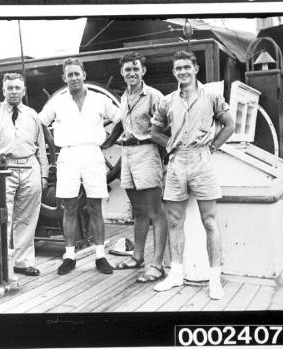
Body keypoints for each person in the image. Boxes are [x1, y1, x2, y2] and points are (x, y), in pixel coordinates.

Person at [151, 51, 235, 299]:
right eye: (178, 68)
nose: (182, 72)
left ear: (196, 68)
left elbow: (229, 124)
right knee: (175, 220)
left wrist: (212, 147)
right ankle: (176, 274)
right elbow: (155, 131)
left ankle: (214, 279)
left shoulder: (211, 96)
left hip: (202, 160)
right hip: (177, 162)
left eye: (186, 67)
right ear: (174, 72)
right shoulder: (167, 101)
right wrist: (170, 146)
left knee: (209, 221)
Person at [38, 58, 120, 275]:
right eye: (69, 75)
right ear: (64, 78)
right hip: (68, 154)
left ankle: (100, 255)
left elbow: (121, 117)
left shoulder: (100, 99)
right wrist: (51, 145)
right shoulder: (57, 102)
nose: (73, 78)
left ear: (84, 74)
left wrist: (110, 141)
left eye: (77, 73)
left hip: (93, 154)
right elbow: (39, 122)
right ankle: (69, 255)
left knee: (95, 207)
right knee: (69, 207)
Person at [0, 72, 49, 277]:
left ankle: (22, 262)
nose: (14, 92)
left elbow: (41, 147)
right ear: (3, 90)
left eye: (18, 88)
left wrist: (43, 174)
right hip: (3, 168)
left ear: (24, 91)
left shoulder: (33, 114)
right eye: (10, 88)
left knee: (26, 218)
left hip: (29, 167)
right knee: (0, 216)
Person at [111, 52, 168, 283]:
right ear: (122, 73)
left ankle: (157, 264)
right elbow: (119, 125)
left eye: (136, 69)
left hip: (147, 151)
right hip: (128, 153)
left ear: (143, 71)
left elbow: (167, 128)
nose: (132, 73)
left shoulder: (154, 96)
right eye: (127, 70)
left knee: (156, 211)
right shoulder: (124, 97)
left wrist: (161, 156)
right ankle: (137, 257)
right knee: (138, 211)